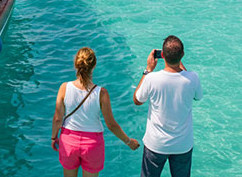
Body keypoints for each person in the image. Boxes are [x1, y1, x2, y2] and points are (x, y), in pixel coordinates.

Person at [52, 47, 140, 176]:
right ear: (94, 65)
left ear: (76, 64)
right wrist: (128, 141)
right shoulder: (101, 93)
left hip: (69, 142)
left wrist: (54, 137)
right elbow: (111, 124)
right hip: (92, 145)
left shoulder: (64, 88)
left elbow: (57, 119)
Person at [134, 36, 202, 177]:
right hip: (183, 145)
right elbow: (197, 96)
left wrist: (148, 70)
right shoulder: (193, 78)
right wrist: (179, 64)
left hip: (156, 144)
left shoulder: (151, 79)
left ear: (162, 55)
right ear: (182, 55)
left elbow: (137, 100)